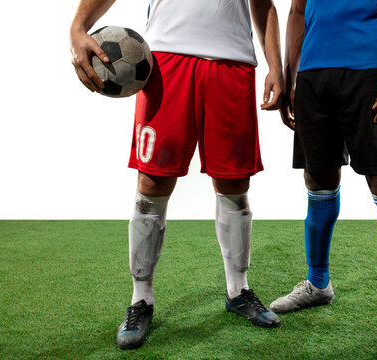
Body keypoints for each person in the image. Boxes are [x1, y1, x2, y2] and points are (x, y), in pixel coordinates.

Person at [70, 0, 284, 350]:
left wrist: (275, 65)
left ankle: (238, 290)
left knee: (234, 183)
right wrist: (78, 25)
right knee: (152, 183)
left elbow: (264, 4)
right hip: (167, 59)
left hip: (233, 60)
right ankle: (141, 299)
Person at [271, 0, 377, 356]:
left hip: (370, 70)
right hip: (312, 76)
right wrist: (290, 73)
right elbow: (298, 10)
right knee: (318, 181)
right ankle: (317, 283)